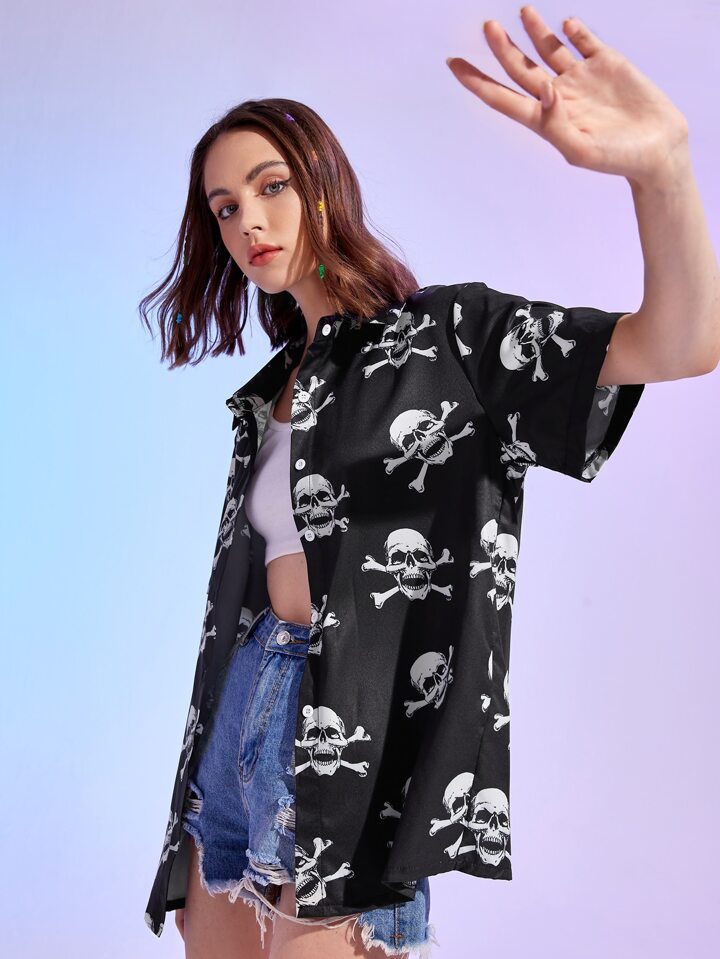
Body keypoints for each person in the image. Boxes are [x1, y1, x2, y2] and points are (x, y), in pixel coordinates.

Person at [139, 12, 719, 959]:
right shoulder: (274, 390)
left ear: (323, 184)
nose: (247, 222)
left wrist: (664, 171)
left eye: (271, 186)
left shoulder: (450, 341)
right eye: (223, 206)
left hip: (355, 744)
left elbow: (682, 342)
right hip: (241, 716)